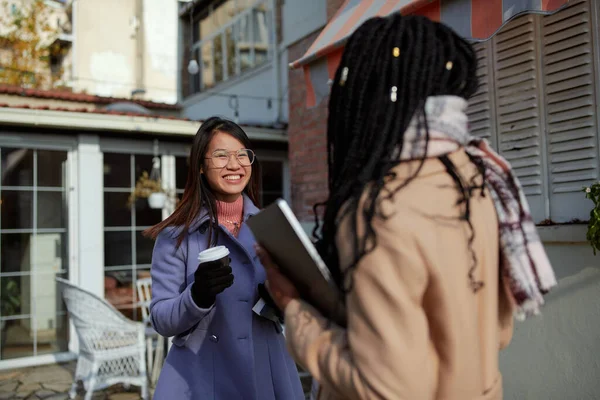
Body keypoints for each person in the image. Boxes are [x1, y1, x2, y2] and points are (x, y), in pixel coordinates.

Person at [257, 14, 557, 400]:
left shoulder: (379, 208)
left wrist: (293, 307)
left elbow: (384, 388)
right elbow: (497, 331)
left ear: (367, 95)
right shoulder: (479, 178)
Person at [145, 117, 304, 400]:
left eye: (242, 155)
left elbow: (297, 308)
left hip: (267, 372)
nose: (234, 164)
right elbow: (161, 319)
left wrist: (282, 297)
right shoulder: (176, 236)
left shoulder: (273, 229)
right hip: (200, 379)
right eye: (221, 155)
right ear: (202, 167)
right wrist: (197, 296)